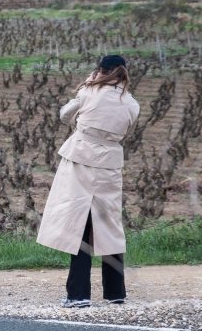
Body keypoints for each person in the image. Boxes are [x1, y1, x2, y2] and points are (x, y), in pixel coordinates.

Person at [37, 54, 140, 308]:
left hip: (81, 158)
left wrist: (87, 84)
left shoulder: (88, 92)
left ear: (100, 70)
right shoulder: (131, 103)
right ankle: (116, 292)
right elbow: (128, 130)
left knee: (79, 224)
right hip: (110, 163)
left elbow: (64, 115)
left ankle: (78, 294)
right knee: (109, 225)